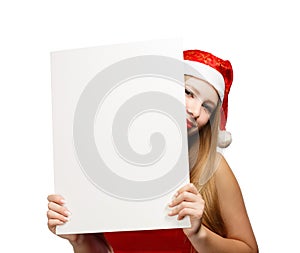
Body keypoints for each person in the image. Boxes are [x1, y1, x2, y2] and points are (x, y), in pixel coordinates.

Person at [47, 49, 258, 253]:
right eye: (188, 92)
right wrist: (79, 239)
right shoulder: (106, 162)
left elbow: (249, 250)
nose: (194, 110)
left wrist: (199, 234)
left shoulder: (212, 168)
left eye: (207, 107)